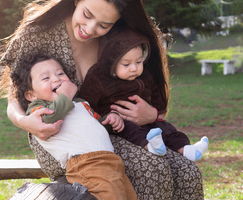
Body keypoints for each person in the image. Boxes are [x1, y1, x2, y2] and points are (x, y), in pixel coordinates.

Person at [0, 0, 204, 200]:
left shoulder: (118, 40)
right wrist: (25, 122)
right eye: (87, 14)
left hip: (114, 127)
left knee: (187, 172)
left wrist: (151, 115)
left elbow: (147, 87)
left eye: (104, 24)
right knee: (153, 169)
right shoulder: (38, 33)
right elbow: (14, 96)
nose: (90, 28)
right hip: (66, 137)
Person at [11, 54, 140, 200]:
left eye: (60, 74)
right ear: (31, 95)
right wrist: (66, 95)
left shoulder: (81, 103)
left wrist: (110, 121)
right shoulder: (38, 108)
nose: (56, 79)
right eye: (46, 78)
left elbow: (95, 126)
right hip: (85, 164)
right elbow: (50, 119)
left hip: (112, 162)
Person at [78, 27, 209, 161]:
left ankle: (186, 149)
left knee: (167, 129)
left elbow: (156, 95)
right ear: (111, 63)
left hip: (148, 121)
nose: (134, 68)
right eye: (126, 64)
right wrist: (108, 116)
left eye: (138, 62)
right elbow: (87, 102)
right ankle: (151, 147)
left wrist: (156, 112)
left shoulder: (145, 75)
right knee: (131, 129)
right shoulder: (100, 78)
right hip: (120, 123)